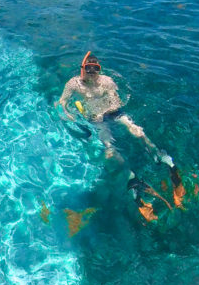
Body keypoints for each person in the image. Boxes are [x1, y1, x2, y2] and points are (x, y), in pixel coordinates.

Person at [57, 51, 184, 219]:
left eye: (96, 69)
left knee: (135, 129)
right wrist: (67, 113)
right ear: (82, 69)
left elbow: (116, 101)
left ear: (99, 70)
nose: (92, 73)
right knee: (108, 148)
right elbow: (62, 102)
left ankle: (160, 156)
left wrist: (104, 111)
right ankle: (132, 177)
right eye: (88, 69)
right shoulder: (73, 84)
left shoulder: (107, 82)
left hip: (111, 113)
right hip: (96, 120)